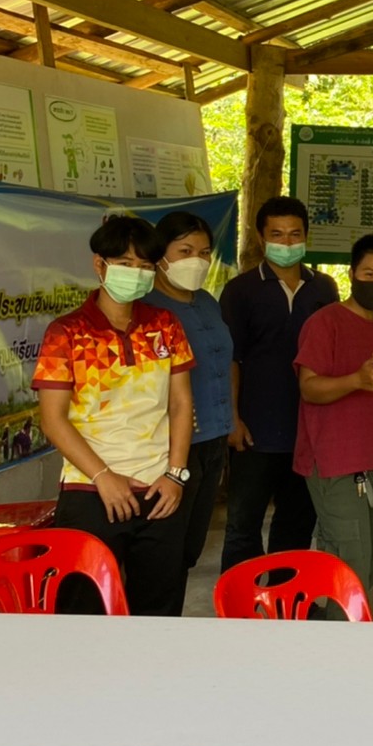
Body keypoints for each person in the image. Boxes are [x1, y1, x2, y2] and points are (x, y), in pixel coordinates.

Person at [32, 215, 194, 615]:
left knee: (159, 612)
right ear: (99, 265)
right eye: (125, 263)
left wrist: (176, 475)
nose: (135, 273)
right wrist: (103, 477)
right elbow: (52, 420)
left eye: (145, 266)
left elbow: (180, 404)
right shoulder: (66, 332)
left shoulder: (165, 325)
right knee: (83, 611)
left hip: (160, 492)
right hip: (91, 491)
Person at [218, 196, 338, 571]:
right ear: (261, 237)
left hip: (308, 433)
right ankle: (241, 604)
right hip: (254, 434)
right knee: (243, 529)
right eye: (277, 234)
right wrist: (232, 419)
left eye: (294, 234)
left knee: (296, 530)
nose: (286, 243)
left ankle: (287, 602)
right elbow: (230, 359)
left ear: (306, 236)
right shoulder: (240, 290)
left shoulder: (325, 289)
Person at [295, 233, 373, 593]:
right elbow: (309, 388)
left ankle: (334, 616)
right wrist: (355, 380)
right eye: (369, 274)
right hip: (334, 462)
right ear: (351, 274)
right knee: (348, 559)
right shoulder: (324, 323)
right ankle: (335, 624)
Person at [143, 211, 232, 614]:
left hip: (214, 440)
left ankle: (171, 625)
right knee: (164, 550)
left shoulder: (208, 303)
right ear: (160, 255)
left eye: (204, 252)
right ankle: (155, 630)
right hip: (172, 447)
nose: (196, 260)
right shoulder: (146, 309)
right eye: (185, 251)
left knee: (189, 547)